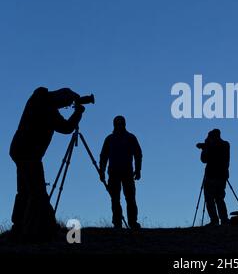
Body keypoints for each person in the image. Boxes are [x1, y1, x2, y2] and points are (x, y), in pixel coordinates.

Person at [10, 87, 84, 242]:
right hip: (30, 154)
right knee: (37, 193)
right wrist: (78, 112)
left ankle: (19, 226)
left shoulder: (37, 98)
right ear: (60, 99)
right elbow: (66, 128)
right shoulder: (47, 108)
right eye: (65, 104)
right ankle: (33, 231)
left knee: (25, 190)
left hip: (19, 150)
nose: (63, 107)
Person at [100, 116, 143, 230]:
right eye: (117, 123)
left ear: (124, 124)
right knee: (115, 199)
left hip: (128, 173)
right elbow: (103, 156)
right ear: (114, 125)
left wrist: (138, 170)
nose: (119, 125)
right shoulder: (109, 139)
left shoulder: (130, 138)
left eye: (121, 123)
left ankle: (133, 222)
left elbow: (138, 154)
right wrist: (102, 171)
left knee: (130, 199)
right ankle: (117, 222)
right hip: (113, 174)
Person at [198, 129, 230, 226]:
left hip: (211, 175)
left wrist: (205, 148)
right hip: (222, 176)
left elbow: (204, 159)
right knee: (219, 198)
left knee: (209, 199)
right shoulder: (225, 145)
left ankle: (214, 220)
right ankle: (224, 220)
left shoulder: (210, 146)